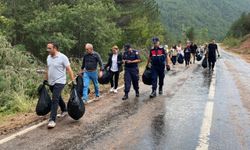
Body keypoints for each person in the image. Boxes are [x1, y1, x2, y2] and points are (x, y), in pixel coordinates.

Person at [44, 42, 75, 128]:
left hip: (60, 81)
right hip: (51, 81)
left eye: (49, 48)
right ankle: (64, 110)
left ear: (55, 48)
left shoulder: (63, 57)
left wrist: (73, 81)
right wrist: (45, 80)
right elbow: (47, 69)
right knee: (57, 97)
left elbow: (69, 69)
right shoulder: (48, 57)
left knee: (54, 99)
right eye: (47, 48)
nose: (48, 50)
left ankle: (52, 120)